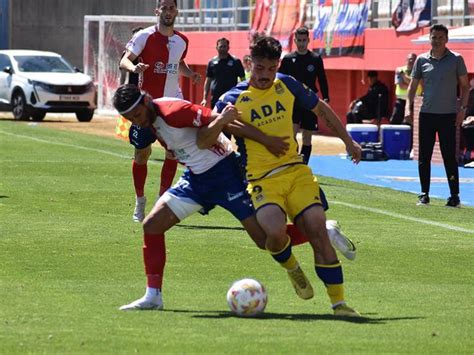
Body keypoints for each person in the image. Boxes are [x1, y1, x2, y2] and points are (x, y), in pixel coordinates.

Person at [113, 84, 357, 312]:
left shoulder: (175, 110)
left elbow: (223, 122)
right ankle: (153, 296)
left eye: (137, 114)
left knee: (265, 241)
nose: (137, 120)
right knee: (152, 226)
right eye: (131, 118)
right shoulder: (148, 121)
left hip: (226, 174)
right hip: (196, 180)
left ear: (146, 100)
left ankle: (324, 231)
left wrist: (263, 138)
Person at [215, 34, 363, 317]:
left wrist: (347, 140)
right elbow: (211, 129)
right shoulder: (231, 98)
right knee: (273, 232)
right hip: (261, 180)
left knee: (318, 231)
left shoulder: (287, 83)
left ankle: (339, 304)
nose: (265, 76)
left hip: (296, 172)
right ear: (249, 63)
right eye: (259, 68)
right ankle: (292, 268)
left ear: (278, 65)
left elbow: (321, 108)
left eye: (271, 69)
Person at [119, 0, 201, 222]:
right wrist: (134, 67)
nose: (168, 12)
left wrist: (190, 74)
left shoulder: (182, 41)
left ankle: (162, 201)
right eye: (164, 8)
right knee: (141, 155)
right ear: (157, 11)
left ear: (176, 11)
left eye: (171, 8)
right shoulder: (144, 36)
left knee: (172, 153)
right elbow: (124, 60)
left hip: (171, 107)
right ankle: (140, 201)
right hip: (145, 107)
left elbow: (179, 63)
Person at [406, 24, 469, 207]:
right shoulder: (421, 60)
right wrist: (408, 109)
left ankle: (454, 195)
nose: (437, 40)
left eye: (441, 37)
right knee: (423, 157)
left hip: (448, 115)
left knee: (449, 156)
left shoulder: (456, 59)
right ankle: (424, 194)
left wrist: (462, 111)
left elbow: (465, 87)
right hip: (426, 115)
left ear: (447, 39)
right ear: (429, 39)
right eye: (434, 37)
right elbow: (412, 86)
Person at [278, 26, 330, 164]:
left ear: (308, 40)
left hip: (310, 102)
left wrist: (326, 97)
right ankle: (294, 161)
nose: (301, 43)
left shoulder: (315, 58)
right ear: (295, 40)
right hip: (292, 102)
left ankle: (303, 164)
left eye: (304, 40)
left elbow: (322, 78)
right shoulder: (288, 59)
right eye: (299, 40)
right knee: (292, 134)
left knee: (307, 137)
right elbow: (279, 80)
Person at [200, 38, 245, 109]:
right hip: (215, 98)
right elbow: (208, 81)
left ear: (228, 47)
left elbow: (243, 79)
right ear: (216, 48)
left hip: (231, 97)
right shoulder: (212, 62)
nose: (223, 48)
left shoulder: (236, 61)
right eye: (221, 46)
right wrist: (204, 98)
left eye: (225, 46)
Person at [390, 52, 421, 125]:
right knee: (395, 121)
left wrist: (403, 75)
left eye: (413, 59)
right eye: (410, 59)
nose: (411, 61)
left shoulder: (419, 71)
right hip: (401, 101)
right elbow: (401, 85)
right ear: (406, 60)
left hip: (414, 101)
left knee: (413, 123)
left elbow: (414, 83)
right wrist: (412, 85)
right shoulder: (399, 70)